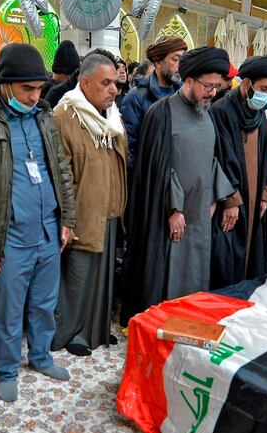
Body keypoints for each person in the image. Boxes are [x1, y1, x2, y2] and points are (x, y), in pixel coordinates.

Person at [0, 43, 76, 403]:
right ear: (3, 84)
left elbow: (60, 171)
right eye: (28, 90)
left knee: (44, 301)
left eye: (39, 89)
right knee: (8, 309)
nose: (36, 97)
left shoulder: (42, 115)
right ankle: (7, 368)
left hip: (48, 230)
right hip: (8, 236)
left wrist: (67, 218)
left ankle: (40, 356)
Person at [121, 46, 234, 323]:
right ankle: (162, 321)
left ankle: (187, 317)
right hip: (170, 214)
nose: (213, 92)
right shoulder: (162, 113)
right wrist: (174, 209)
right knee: (167, 269)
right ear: (189, 80)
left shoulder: (207, 113)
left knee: (195, 269)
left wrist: (215, 199)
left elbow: (212, 159)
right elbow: (158, 168)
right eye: (208, 86)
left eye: (217, 87)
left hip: (200, 210)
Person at [52, 53, 126, 356]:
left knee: (102, 276)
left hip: (108, 210)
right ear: (85, 82)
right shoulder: (65, 115)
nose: (114, 90)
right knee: (77, 278)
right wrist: (67, 218)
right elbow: (62, 174)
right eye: (106, 83)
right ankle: (71, 333)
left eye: (115, 83)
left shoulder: (111, 115)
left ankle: (95, 330)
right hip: (82, 213)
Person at [211, 54, 267, 287]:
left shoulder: (258, 113)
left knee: (253, 250)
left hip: (254, 200)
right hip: (233, 200)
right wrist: (231, 201)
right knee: (227, 256)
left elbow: (266, 154)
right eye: (263, 88)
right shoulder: (222, 110)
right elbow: (220, 159)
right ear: (246, 83)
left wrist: (265, 192)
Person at [120, 36, 187, 174]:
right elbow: (129, 151)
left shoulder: (184, 96)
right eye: (176, 59)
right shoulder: (136, 98)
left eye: (183, 59)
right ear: (158, 61)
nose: (181, 66)